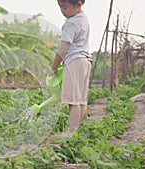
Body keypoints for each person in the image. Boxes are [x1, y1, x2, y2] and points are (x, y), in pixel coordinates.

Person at [51, 0, 92, 134]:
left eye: (65, 7)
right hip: (85, 62)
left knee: (73, 101)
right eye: (60, 8)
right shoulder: (84, 18)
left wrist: (54, 67)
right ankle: (82, 130)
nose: (62, 11)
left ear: (78, 4)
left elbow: (63, 49)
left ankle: (71, 134)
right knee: (81, 100)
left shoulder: (70, 23)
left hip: (74, 62)